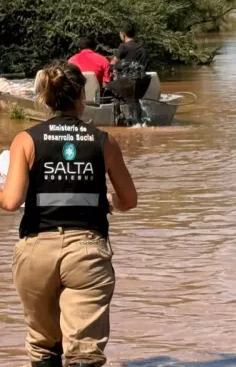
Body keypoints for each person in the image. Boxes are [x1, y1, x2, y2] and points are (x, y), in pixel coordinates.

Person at [0, 60, 137, 367]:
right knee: (84, 353)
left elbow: (10, 202)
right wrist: (107, 201)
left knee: (43, 346)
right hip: (87, 253)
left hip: (36, 251)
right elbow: (129, 200)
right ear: (82, 96)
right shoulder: (104, 141)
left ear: (44, 98)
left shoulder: (26, 140)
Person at [105, 22, 151, 125]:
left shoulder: (123, 46)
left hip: (128, 81)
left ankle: (119, 116)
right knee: (134, 99)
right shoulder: (142, 47)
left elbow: (112, 64)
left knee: (109, 87)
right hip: (142, 81)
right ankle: (137, 121)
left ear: (123, 34)